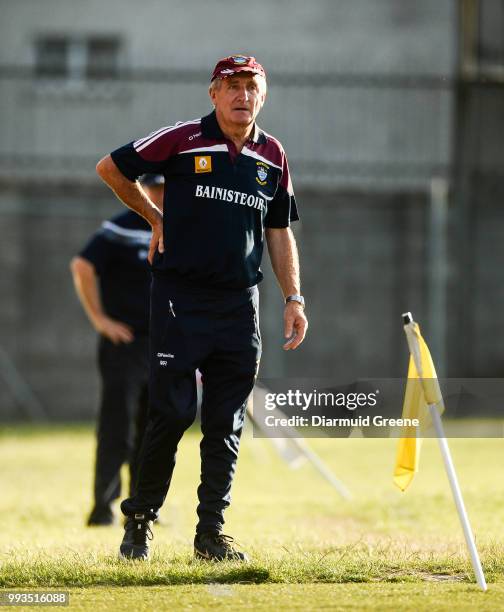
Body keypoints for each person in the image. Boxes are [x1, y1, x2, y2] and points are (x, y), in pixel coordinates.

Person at [95, 54, 308, 560]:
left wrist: (294, 298)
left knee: (227, 422)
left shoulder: (272, 154)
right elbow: (111, 168)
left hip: (240, 306)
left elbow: (278, 231)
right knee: (170, 414)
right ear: (212, 93)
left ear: (264, 93)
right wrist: (155, 217)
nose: (242, 95)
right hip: (180, 300)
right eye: (231, 85)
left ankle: (211, 534)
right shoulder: (183, 139)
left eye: (251, 86)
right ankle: (140, 524)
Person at [70, 174, 164, 526]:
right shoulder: (120, 227)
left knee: (153, 429)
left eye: (166, 188)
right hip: (124, 345)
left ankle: (141, 508)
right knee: (116, 425)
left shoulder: (182, 227)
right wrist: (100, 320)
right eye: (154, 189)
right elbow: (82, 266)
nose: (160, 195)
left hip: (163, 346)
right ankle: (102, 506)